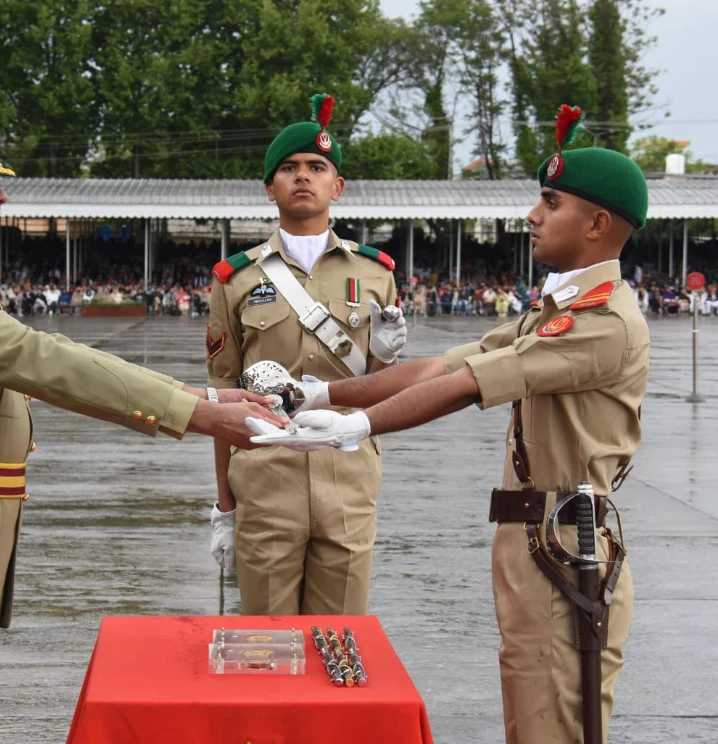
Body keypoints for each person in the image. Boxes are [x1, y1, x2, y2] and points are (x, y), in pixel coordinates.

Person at [0, 109, 283, 744]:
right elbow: (39, 360)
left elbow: (43, 360)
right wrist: (201, 414)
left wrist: (203, 392)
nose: (0, 195)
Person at [249, 106, 649, 744]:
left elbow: (465, 386)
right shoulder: (557, 310)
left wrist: (352, 427)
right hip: (536, 540)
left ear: (597, 223)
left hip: (565, 545)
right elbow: (443, 363)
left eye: (550, 202)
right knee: (530, 713)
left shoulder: (600, 321)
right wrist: (321, 392)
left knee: (555, 724)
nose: (532, 216)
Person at [205, 93, 407, 614]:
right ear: (270, 187)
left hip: (349, 477)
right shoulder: (236, 279)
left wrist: (386, 358)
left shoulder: (377, 273)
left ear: (336, 186)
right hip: (265, 477)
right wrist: (226, 507)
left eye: (317, 167)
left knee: (339, 644)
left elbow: (384, 385)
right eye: (289, 168)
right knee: (265, 648)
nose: (303, 176)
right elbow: (219, 403)